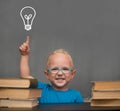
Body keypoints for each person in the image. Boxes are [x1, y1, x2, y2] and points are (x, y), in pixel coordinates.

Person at [19, 36, 84, 103]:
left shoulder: (76, 96)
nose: (60, 73)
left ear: (72, 74)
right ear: (47, 74)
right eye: (54, 69)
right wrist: (24, 55)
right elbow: (25, 77)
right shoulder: (41, 90)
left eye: (65, 69)